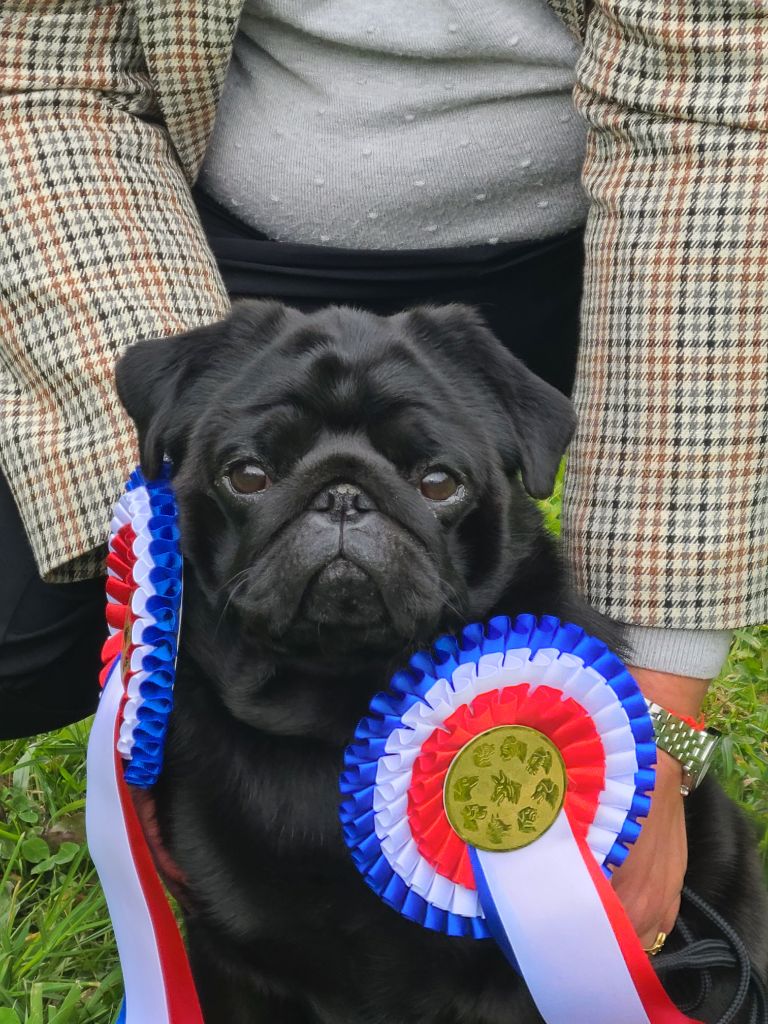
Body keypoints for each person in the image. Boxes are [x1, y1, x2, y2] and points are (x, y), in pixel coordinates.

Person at [1, 0, 766, 960]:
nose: (343, 513)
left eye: (429, 484)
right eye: (257, 472)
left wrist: (653, 738)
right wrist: (147, 612)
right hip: (206, 222)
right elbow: (47, 75)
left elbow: (711, 127)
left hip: (586, 234)